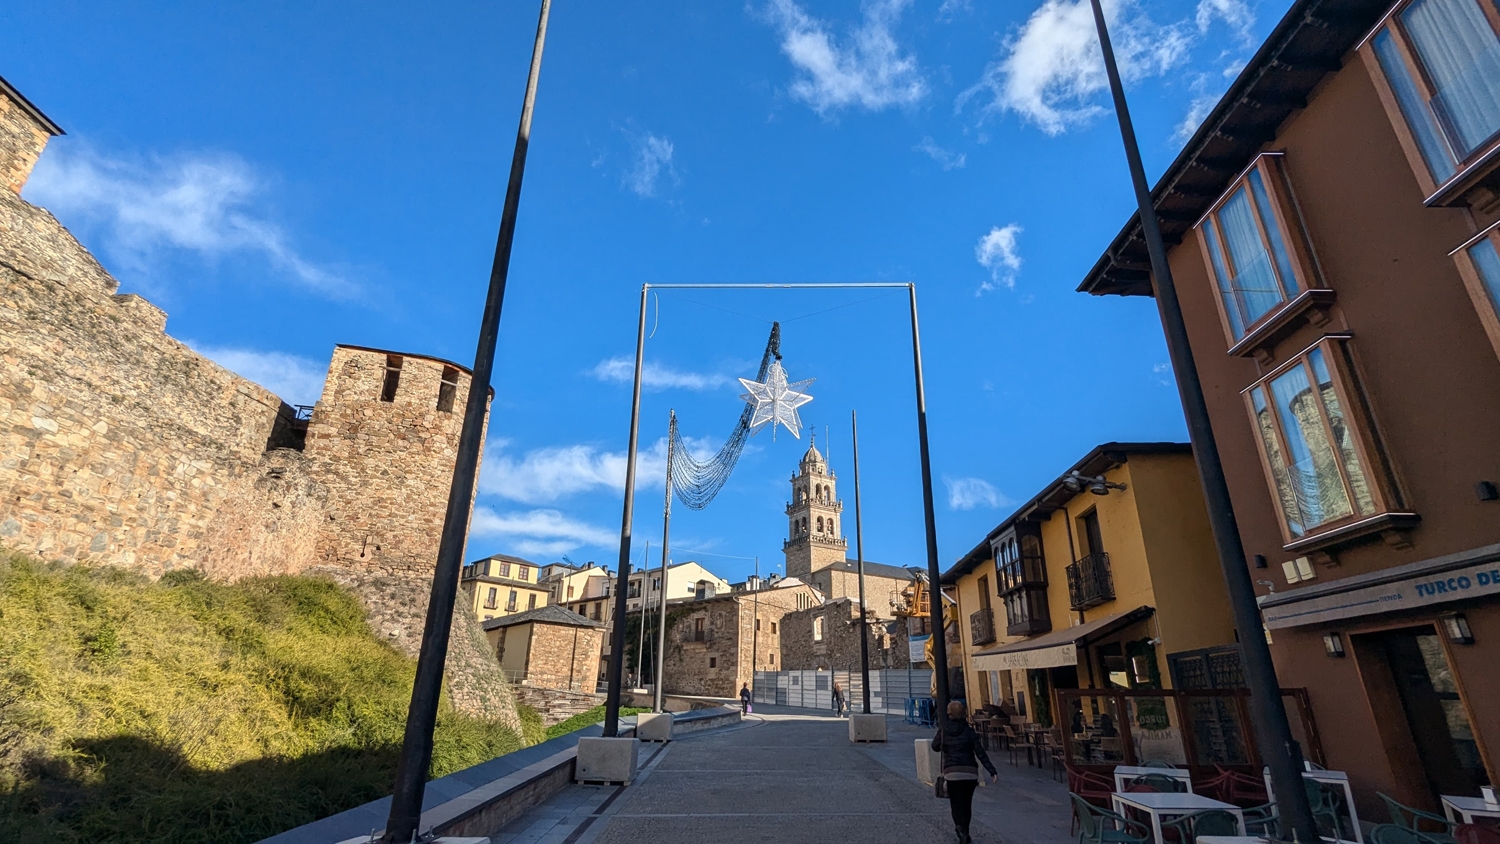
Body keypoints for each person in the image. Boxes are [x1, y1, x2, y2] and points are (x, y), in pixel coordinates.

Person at [932, 701, 997, 844]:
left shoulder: (944, 730)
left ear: (948, 713)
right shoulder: (969, 731)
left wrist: (946, 745)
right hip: (970, 772)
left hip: (952, 772)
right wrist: (991, 770)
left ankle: (960, 830)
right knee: (967, 804)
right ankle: (965, 831)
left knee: (956, 804)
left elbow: (934, 747)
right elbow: (980, 753)